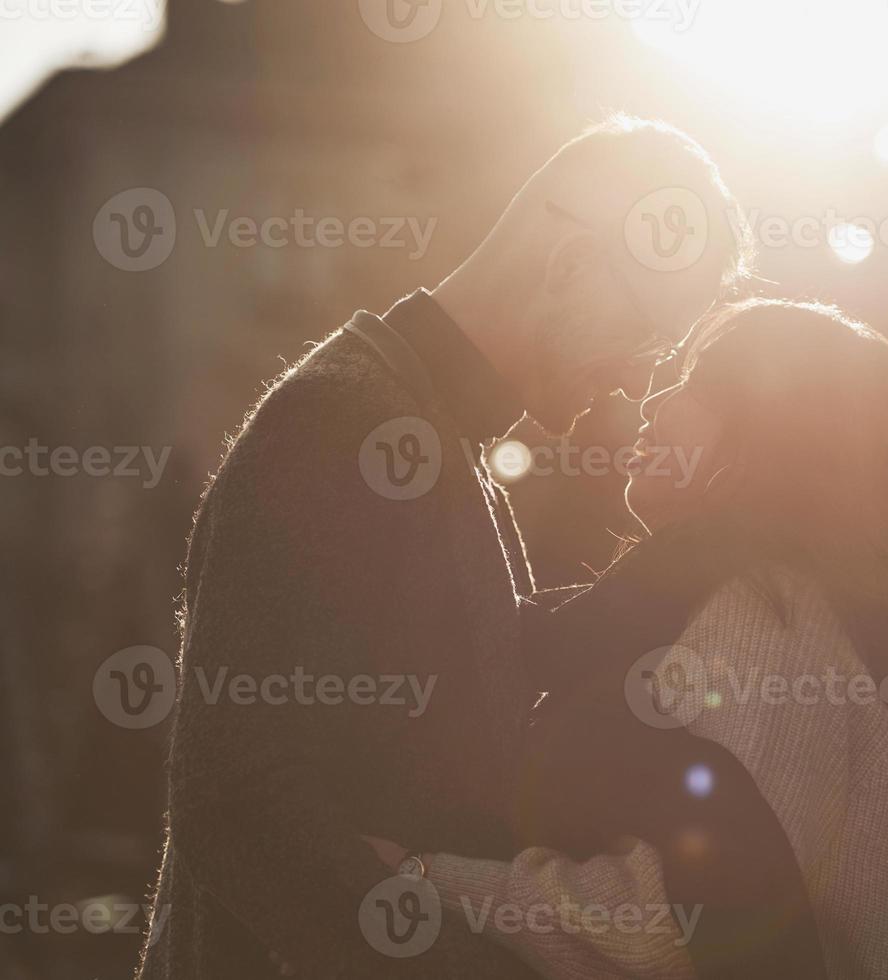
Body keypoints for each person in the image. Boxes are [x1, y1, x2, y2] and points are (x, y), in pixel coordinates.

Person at [137, 115, 758, 980]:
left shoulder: (432, 440)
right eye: (646, 337)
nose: (633, 381)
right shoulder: (343, 425)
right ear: (571, 266)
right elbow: (237, 801)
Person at [363, 299, 888, 978]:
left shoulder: (765, 617)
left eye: (692, 381)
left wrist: (426, 877)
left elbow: (667, 926)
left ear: (766, 428)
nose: (653, 397)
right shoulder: (753, 608)